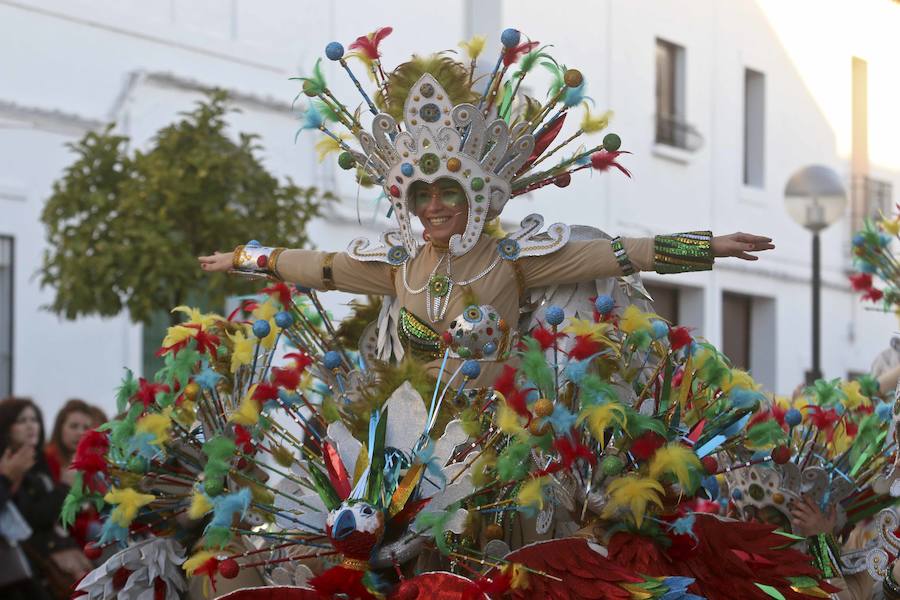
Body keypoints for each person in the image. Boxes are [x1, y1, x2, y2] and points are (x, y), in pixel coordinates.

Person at [0, 397, 92, 599]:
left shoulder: (36, 460)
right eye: (22, 420)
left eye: (34, 419)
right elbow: (32, 517)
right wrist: (65, 487)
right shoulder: (18, 463)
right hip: (22, 564)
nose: (31, 426)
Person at [45, 399, 94, 486]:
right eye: (73, 426)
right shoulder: (46, 461)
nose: (80, 433)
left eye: (86, 428)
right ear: (60, 428)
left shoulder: (92, 466)